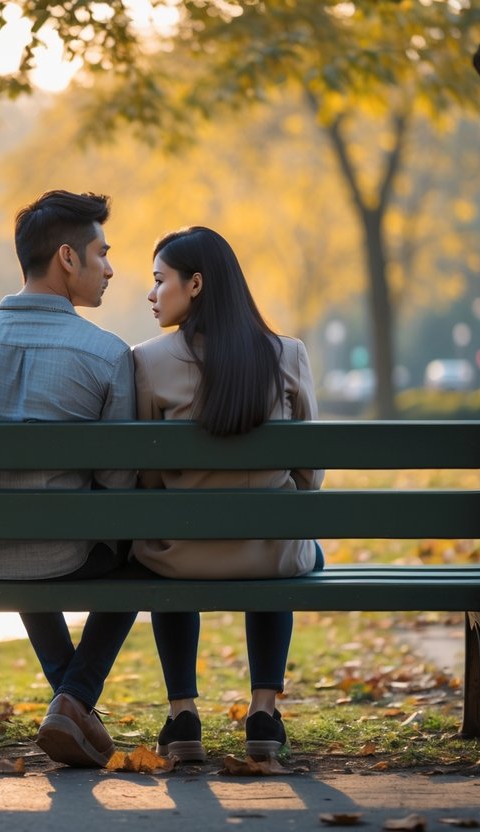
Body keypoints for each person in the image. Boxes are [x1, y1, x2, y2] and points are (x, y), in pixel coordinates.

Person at [0, 190, 137, 768]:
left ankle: (70, 702)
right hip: (66, 554)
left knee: (9, 520)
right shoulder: (109, 355)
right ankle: (73, 699)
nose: (112, 268)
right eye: (103, 252)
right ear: (68, 258)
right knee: (141, 555)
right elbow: (118, 484)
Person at [131, 226, 324, 763]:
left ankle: (182, 715)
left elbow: (147, 480)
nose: (151, 294)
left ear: (195, 285)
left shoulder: (147, 361)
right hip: (270, 550)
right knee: (285, 543)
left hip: (181, 556)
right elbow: (310, 474)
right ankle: (263, 711)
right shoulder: (287, 354)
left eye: (158, 281)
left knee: (162, 552)